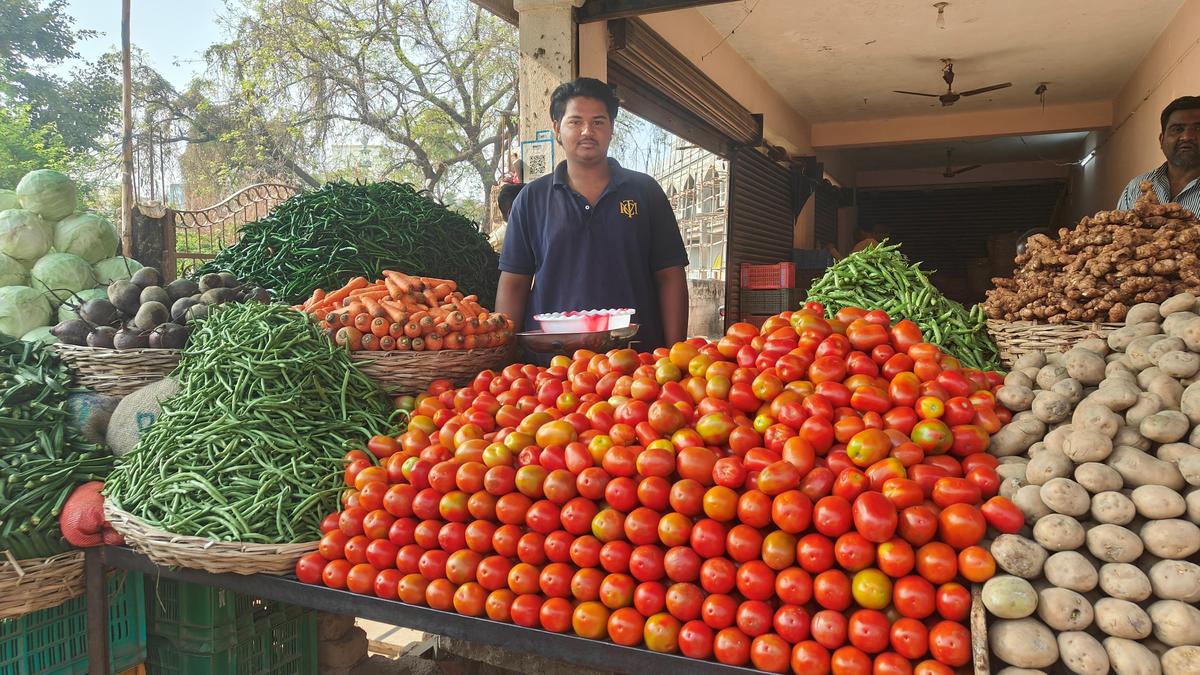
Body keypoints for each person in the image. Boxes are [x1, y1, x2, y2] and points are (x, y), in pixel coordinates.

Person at [496, 78, 689, 350]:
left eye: (598, 121)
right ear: (557, 128)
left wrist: (675, 354)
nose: (587, 131)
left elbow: (670, 276)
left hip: (636, 365)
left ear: (611, 129)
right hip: (551, 370)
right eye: (575, 121)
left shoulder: (645, 192)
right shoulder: (532, 199)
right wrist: (504, 358)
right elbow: (514, 283)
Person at [1117, 96, 1200, 212]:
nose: (1187, 137)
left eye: (1198, 128)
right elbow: (1117, 229)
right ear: (1161, 140)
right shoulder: (1135, 187)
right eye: (1177, 129)